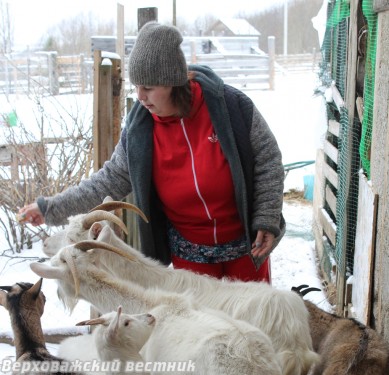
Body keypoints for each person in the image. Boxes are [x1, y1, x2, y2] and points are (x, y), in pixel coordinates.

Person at [19, 21, 285, 283]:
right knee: (200, 325)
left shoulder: (230, 107)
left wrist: (267, 218)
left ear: (173, 82)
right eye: (136, 87)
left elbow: (268, 159)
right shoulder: (140, 131)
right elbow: (107, 180)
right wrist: (50, 208)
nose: (141, 96)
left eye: (148, 87)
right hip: (191, 255)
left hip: (246, 247)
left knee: (254, 322)